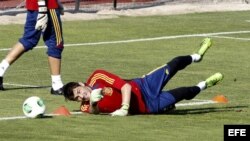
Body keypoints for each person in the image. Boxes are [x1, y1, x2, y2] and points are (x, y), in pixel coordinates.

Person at [63, 38, 224, 116]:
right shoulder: (85, 106)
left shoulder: (97, 76)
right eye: (77, 98)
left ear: (80, 83)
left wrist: (124, 108)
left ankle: (196, 56)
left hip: (144, 85)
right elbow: (93, 111)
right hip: (148, 106)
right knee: (184, 92)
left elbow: (125, 86)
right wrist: (93, 101)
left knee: (174, 64)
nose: (81, 96)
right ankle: (205, 84)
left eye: (79, 91)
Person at [0, 0, 64, 95]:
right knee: (55, 43)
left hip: (34, 6)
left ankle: (1, 69)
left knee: (28, 39)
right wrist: (43, 9)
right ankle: (57, 84)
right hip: (47, 6)